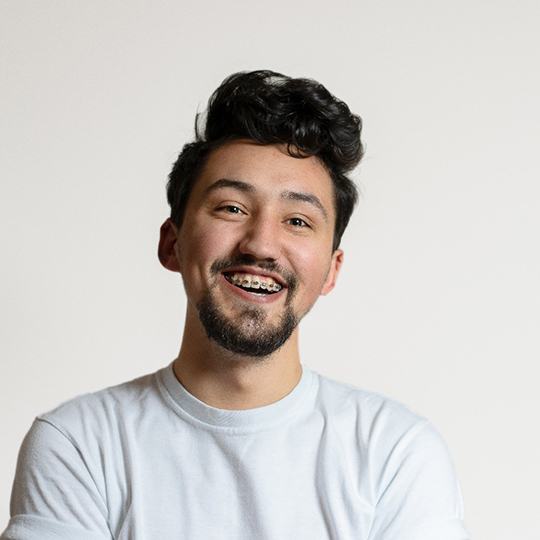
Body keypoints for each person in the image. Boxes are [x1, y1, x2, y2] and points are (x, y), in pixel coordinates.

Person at [2, 70, 469, 540]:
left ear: (331, 270)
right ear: (173, 243)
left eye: (298, 220)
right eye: (232, 208)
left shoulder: (395, 452)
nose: (262, 244)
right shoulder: (79, 444)